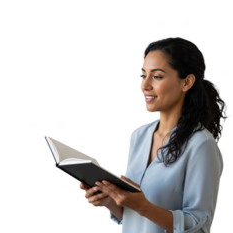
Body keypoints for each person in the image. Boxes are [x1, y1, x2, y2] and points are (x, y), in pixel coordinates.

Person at [78, 36, 231, 232]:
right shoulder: (138, 135)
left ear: (186, 82)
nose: (144, 85)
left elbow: (199, 225)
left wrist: (142, 205)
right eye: (143, 75)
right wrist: (110, 201)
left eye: (157, 76)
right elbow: (134, 217)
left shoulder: (201, 145)